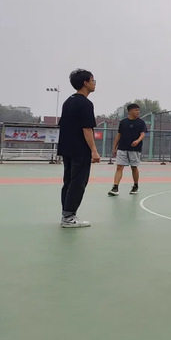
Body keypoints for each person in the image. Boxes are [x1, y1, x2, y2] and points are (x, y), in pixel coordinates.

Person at [57, 69, 100, 228]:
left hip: (66, 148)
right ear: (85, 83)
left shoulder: (68, 101)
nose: (94, 83)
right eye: (93, 80)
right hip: (80, 150)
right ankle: (69, 218)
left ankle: (66, 214)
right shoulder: (85, 103)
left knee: (68, 182)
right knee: (78, 183)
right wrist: (94, 150)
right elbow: (87, 128)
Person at [108, 103, 147, 196]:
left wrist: (137, 141)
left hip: (135, 149)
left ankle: (135, 186)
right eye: (136, 110)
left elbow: (143, 134)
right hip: (122, 148)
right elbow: (119, 135)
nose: (138, 112)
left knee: (134, 167)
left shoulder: (141, 123)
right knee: (119, 167)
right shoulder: (123, 122)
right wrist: (114, 148)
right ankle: (115, 187)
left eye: (138, 110)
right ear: (130, 111)